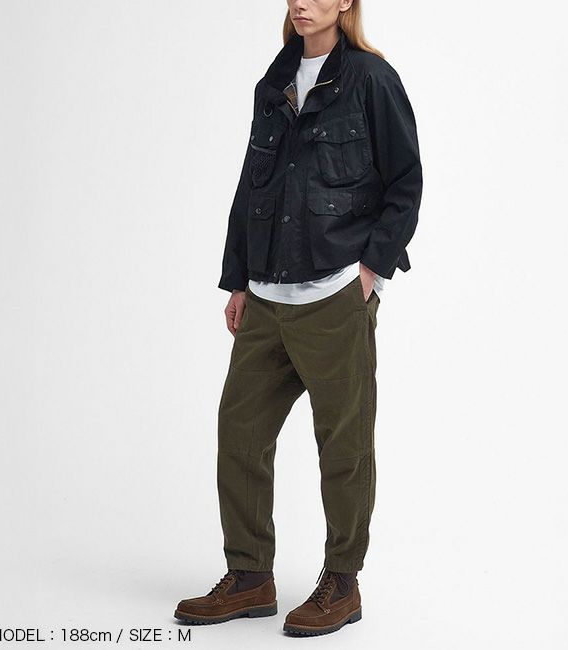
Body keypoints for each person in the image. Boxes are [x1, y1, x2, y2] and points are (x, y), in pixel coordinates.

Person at [174, 0, 422, 636]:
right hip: (267, 296)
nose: (300, 2)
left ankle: (342, 582)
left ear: (345, 3)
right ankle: (250, 576)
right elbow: (250, 187)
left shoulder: (371, 79)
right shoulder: (275, 80)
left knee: (343, 446)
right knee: (240, 432)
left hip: (334, 294)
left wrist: (371, 269)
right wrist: (238, 279)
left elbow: (406, 181)